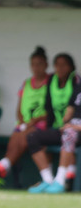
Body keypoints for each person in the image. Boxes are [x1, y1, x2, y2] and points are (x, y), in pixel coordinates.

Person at [0, 46, 50, 190]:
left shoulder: (51, 82)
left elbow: (53, 110)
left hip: (43, 124)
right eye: (33, 64)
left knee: (23, 138)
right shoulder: (26, 83)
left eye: (39, 63)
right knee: (15, 139)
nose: (36, 67)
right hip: (26, 124)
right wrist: (22, 121)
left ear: (46, 65)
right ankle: (0, 173)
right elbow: (19, 109)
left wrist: (36, 120)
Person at [25, 53, 80, 193]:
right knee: (33, 137)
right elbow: (69, 111)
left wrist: (75, 126)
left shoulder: (76, 80)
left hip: (77, 131)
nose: (60, 68)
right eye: (58, 65)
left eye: (64, 65)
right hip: (69, 128)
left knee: (69, 133)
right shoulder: (78, 87)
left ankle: (60, 182)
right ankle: (48, 180)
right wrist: (65, 123)